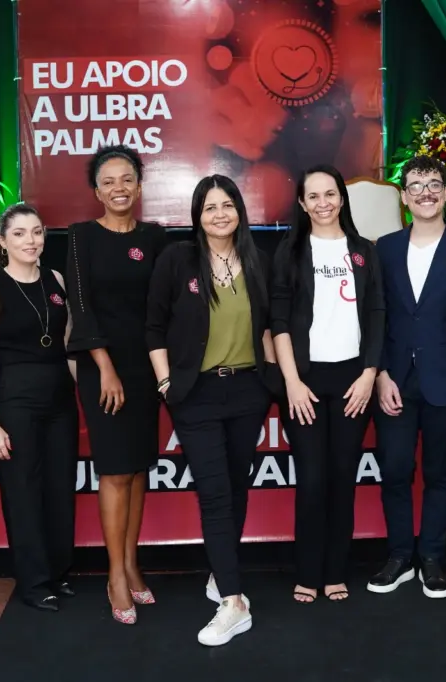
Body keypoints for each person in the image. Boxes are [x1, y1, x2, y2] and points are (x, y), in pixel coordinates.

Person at [146, 174, 278, 646]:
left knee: (236, 490)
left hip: (247, 392)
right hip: (195, 394)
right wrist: (165, 382)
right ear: (197, 216)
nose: (220, 214)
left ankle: (221, 572)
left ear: (240, 211)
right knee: (216, 493)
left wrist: (278, 382)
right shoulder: (177, 260)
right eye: (209, 208)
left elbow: (266, 329)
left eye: (227, 205)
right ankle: (233, 602)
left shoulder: (258, 261)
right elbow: (154, 327)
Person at [366, 156, 446, 599]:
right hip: (395, 382)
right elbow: (374, 319)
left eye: (433, 184)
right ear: (403, 196)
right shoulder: (383, 248)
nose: (425, 193)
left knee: (440, 474)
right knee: (396, 471)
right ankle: (400, 557)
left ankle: (432, 559)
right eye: (415, 185)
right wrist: (379, 373)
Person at [270, 165, 385, 604]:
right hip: (306, 382)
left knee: (342, 477)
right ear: (302, 203)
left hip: (354, 379)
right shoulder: (290, 251)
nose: (323, 203)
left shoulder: (363, 251)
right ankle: (307, 571)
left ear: (342, 198)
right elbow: (278, 320)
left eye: (330, 194)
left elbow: (377, 314)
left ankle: (336, 571)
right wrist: (293, 382)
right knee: (313, 479)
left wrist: (370, 374)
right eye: (313, 196)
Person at [65, 145, 169, 624]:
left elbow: (162, 308)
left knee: (140, 466)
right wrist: (104, 366)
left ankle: (131, 563)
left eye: (126, 179)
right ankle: (114, 576)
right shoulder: (82, 237)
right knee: (114, 471)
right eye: (108, 181)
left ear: (140, 184)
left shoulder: (156, 238)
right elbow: (81, 309)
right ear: (96, 191)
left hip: (146, 368)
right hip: (101, 367)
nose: (118, 188)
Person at [0, 203, 78, 613]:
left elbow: (67, 346)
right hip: (15, 405)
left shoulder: (56, 280)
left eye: (36, 232)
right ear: (2, 241)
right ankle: (33, 583)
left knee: (58, 490)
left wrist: (83, 388)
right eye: (19, 234)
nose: (30, 241)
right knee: (23, 494)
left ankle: (58, 572)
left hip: (60, 403)